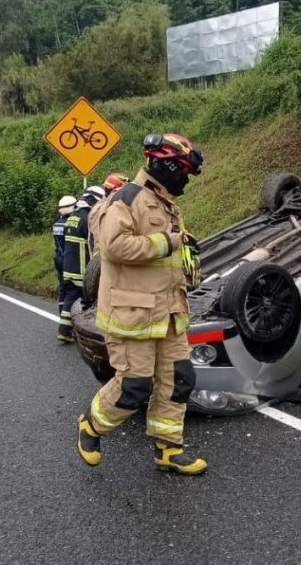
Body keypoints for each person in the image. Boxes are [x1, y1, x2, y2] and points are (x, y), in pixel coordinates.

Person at [76, 133, 207, 475]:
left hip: (169, 312)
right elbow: (114, 246)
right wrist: (168, 242)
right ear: (163, 165)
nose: (184, 182)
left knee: (179, 378)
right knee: (134, 386)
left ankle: (168, 449)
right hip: (132, 315)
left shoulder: (166, 204)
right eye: (182, 173)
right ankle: (92, 425)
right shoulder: (127, 198)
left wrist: (188, 262)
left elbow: (168, 256)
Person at [57, 186, 105, 343]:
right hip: (81, 268)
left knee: (70, 297)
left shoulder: (73, 216)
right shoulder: (88, 218)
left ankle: (64, 331)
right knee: (83, 302)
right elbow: (92, 245)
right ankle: (74, 332)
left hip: (68, 267)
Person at [53, 195, 77, 289]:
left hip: (59, 257)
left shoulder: (57, 223)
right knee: (71, 289)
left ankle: (62, 304)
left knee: (62, 288)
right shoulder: (71, 224)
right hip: (69, 259)